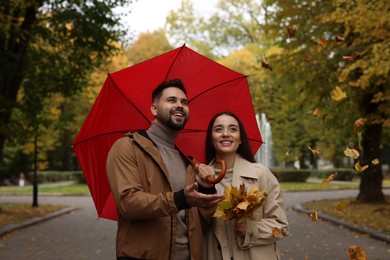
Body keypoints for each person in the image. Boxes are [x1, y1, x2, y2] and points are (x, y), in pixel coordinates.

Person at [106, 78, 225, 260]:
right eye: (171, 100)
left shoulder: (188, 162)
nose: (180, 105)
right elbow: (128, 203)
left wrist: (205, 189)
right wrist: (179, 199)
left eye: (184, 102)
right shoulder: (127, 147)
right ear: (154, 109)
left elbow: (201, 225)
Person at [201, 111, 289, 260]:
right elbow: (192, 229)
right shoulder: (199, 179)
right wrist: (204, 188)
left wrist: (252, 229)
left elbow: (282, 226)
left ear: (240, 139)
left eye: (233, 129)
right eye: (218, 129)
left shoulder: (261, 174)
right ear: (211, 139)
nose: (226, 134)